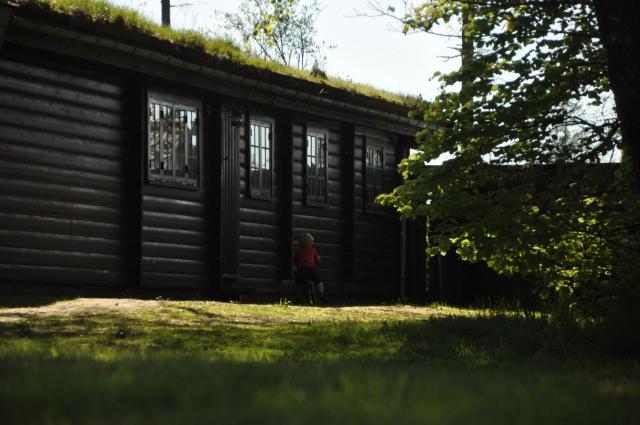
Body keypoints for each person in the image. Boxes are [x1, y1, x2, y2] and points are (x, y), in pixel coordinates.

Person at [293, 233, 327, 304]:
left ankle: (298, 297)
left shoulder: (299, 251)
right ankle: (321, 294)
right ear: (311, 242)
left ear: (300, 243)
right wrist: (316, 264)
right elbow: (318, 259)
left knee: (298, 283)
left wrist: (297, 265)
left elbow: (295, 260)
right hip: (311, 269)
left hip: (301, 269)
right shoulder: (313, 250)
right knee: (319, 281)